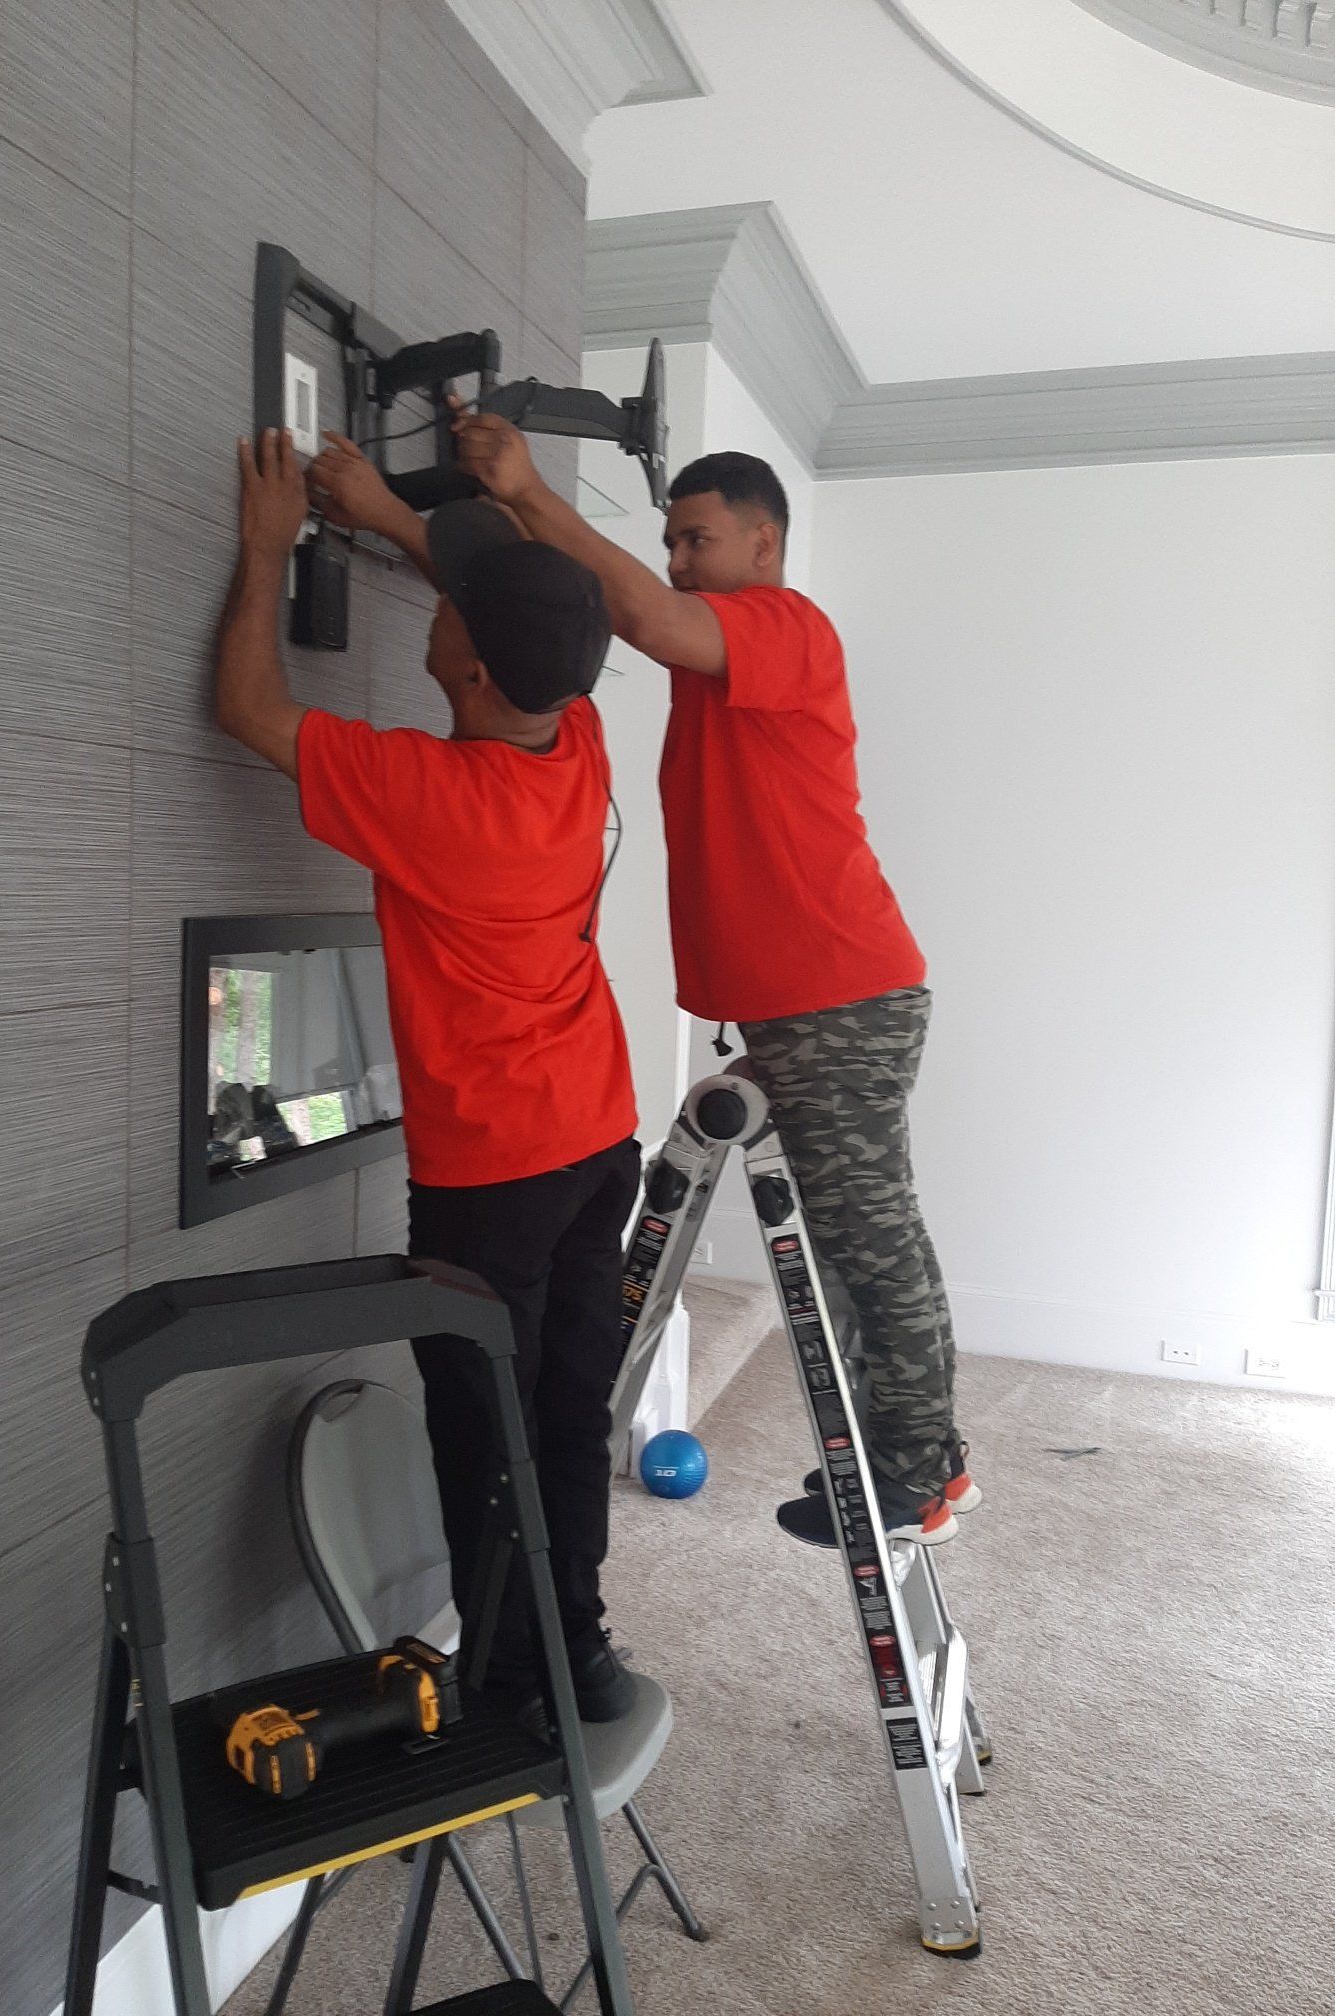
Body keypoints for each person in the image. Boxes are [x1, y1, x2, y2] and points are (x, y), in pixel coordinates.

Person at [451, 413, 978, 1547]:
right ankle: (905, 1454)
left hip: (840, 994)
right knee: (850, 1240)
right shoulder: (720, 661)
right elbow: (604, 616)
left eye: (696, 539)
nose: (680, 560)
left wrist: (532, 491)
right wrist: (450, 522)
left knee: (872, 1235)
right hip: (810, 1001)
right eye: (673, 542)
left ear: (763, 544)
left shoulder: (788, 627)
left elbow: (638, 612)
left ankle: (923, 1471)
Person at [215, 427, 641, 1715]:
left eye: (450, 604)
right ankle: (580, 1650)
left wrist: (266, 548)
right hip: (596, 1140)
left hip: (494, 1176)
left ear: (458, 658)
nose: (439, 599)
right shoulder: (574, 739)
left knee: (483, 1429)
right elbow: (515, 617)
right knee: (564, 1412)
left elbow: (245, 707)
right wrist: (397, 514)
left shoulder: (425, 792)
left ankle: (514, 1686)